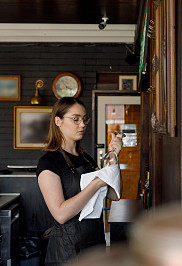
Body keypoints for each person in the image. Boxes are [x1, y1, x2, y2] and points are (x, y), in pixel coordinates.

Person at [36, 97, 123, 265]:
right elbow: (61, 214)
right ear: (58, 121)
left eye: (84, 119)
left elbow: (113, 194)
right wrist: (97, 182)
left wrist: (114, 155)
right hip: (66, 251)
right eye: (75, 119)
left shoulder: (87, 159)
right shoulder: (49, 162)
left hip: (94, 244)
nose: (82, 124)